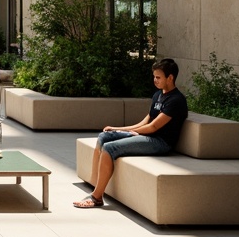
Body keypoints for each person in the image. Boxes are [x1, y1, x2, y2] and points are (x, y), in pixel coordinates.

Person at [74, 58, 189, 209]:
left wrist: (131, 132)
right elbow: (146, 121)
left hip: (160, 142)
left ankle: (97, 198)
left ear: (170, 77)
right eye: (154, 76)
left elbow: (153, 127)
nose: (155, 80)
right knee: (104, 137)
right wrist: (118, 129)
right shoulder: (158, 95)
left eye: (158, 77)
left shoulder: (176, 100)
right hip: (147, 136)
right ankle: (94, 185)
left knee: (110, 148)